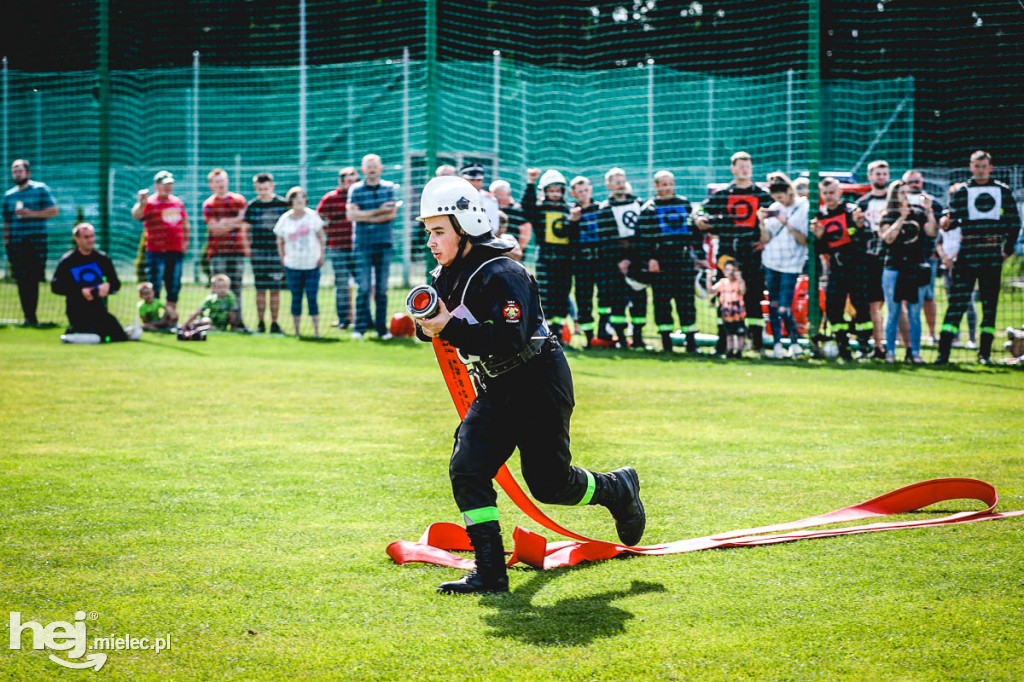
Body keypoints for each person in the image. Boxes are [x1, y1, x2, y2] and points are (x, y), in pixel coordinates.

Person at [414, 175, 646, 594]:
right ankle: (489, 571)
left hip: (538, 383)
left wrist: (448, 326)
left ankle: (618, 487)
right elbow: (442, 327)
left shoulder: (504, 273)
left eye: (438, 232)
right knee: (467, 468)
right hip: (497, 388)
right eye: (428, 232)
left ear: (465, 228)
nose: (430, 241)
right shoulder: (447, 272)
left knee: (550, 485)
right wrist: (430, 324)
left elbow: (510, 337)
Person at [936, 151, 1021, 365]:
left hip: (992, 253)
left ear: (990, 168)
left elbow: (1014, 222)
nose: (980, 169)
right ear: (970, 167)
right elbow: (953, 218)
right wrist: (946, 222)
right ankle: (943, 354)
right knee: (957, 302)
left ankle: (984, 354)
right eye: (976, 166)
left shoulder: (1002, 191)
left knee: (989, 305)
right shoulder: (963, 191)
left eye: (983, 166)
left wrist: (1006, 250)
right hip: (968, 251)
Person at [696, 151, 772, 354]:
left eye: (748, 166)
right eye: (740, 166)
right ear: (733, 169)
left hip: (752, 252)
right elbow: (702, 211)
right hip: (727, 252)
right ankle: (723, 344)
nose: (744, 170)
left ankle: (757, 344)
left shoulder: (761, 194)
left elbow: (775, 221)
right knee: (726, 297)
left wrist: (766, 241)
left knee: (753, 296)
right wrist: (699, 220)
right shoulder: (723, 194)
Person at [638, 170, 700, 353]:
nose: (667, 187)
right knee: (662, 302)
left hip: (683, 261)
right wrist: (649, 259)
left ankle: (691, 342)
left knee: (686, 302)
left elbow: (695, 234)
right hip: (660, 262)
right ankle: (666, 342)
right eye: (663, 184)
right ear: (656, 186)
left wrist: (700, 256)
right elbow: (642, 239)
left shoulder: (685, 204)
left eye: (670, 183)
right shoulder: (649, 208)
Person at [810, 177, 871, 361]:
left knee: (861, 307)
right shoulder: (820, 218)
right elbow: (820, 250)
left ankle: (864, 345)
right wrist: (818, 237)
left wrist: (859, 226)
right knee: (833, 309)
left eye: (832, 193)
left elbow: (866, 237)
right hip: (836, 269)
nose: (829, 197)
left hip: (857, 266)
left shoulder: (850, 211)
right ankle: (843, 347)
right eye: (825, 193)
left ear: (839, 193)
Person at [878, 180, 938, 363]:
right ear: (894, 195)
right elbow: (887, 238)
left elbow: (932, 232)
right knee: (893, 311)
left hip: (915, 268)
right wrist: (901, 218)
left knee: (914, 313)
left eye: (908, 192)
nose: (905, 196)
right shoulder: (887, 215)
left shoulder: (919, 214)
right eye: (901, 192)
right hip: (893, 268)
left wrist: (929, 210)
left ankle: (915, 353)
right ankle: (890, 352)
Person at [347, 153, 398, 340]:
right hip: (362, 245)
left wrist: (366, 215)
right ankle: (359, 328)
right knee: (364, 288)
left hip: (384, 243)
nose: (372, 169)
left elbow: (391, 214)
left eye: (375, 165)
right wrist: (378, 212)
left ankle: (381, 329)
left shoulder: (389, 188)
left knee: (382, 289)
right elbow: (352, 215)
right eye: (368, 166)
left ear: (381, 168)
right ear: (363, 170)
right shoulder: (355, 189)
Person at [758, 172, 809, 358]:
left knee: (784, 307)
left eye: (781, 197)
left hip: (792, 264)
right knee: (773, 304)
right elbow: (766, 238)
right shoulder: (775, 207)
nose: (779, 202)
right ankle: (777, 344)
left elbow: (804, 240)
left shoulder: (804, 207)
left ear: (789, 191)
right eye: (775, 198)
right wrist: (762, 222)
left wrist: (785, 222)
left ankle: (794, 343)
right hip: (772, 261)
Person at [520, 167, 573, 344]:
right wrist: (531, 183)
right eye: (551, 190)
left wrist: (574, 221)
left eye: (558, 190)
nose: (555, 194)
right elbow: (526, 207)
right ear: (544, 191)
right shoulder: (540, 209)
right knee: (546, 297)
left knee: (562, 297)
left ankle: (559, 330)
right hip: (545, 259)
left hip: (565, 261)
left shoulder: (570, 210)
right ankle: (547, 332)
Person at [50, 222, 127, 342]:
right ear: (77, 239)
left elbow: (116, 284)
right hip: (77, 309)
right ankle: (72, 332)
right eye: (86, 237)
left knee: (119, 336)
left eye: (92, 236)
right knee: (93, 336)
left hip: (98, 309)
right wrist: (80, 291)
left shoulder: (102, 258)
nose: (91, 240)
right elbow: (56, 286)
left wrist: (107, 287)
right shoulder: (68, 261)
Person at [3, 159, 59, 325]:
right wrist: (7, 242)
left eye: (20, 170)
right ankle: (28, 316)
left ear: (28, 172)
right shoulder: (9, 195)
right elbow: (6, 221)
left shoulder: (40, 189)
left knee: (33, 278)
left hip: (35, 240)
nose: (17, 173)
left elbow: (54, 211)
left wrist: (30, 213)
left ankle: (32, 316)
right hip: (16, 242)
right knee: (21, 279)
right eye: (14, 171)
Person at [131, 170, 190, 317]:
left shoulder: (177, 202)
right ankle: (153, 316)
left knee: (174, 285)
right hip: (156, 251)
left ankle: (170, 316)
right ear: (157, 186)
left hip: (175, 251)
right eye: (165, 185)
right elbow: (136, 215)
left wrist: (186, 242)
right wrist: (141, 203)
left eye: (170, 184)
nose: (168, 187)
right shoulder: (149, 202)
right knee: (155, 285)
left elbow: (185, 224)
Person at [274, 186, 326, 338]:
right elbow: (280, 240)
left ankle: (316, 330)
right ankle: (297, 331)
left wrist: (322, 255)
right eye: (296, 198)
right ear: (291, 201)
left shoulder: (312, 216)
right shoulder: (284, 219)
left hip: (311, 264)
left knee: (312, 296)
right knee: (296, 297)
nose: (299, 201)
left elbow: (321, 236)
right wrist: (283, 257)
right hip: (293, 264)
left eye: (302, 197)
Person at [242, 172, 289, 334]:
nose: (263, 191)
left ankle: (275, 323)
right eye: (259, 189)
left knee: (275, 289)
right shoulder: (252, 206)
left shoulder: (283, 204)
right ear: (255, 188)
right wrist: (248, 249)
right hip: (258, 252)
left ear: (272, 187)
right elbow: (245, 229)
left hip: (276, 253)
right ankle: (261, 323)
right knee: (260, 289)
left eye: (266, 188)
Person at [855, 160, 892, 358]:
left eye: (884, 173)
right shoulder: (863, 203)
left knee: (898, 304)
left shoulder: (894, 200)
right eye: (877, 174)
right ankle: (879, 345)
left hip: (894, 258)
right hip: (871, 261)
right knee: (874, 305)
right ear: (870, 176)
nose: (881, 177)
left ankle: (901, 346)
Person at [202, 168, 248, 327]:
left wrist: (223, 223)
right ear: (211, 185)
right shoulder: (208, 204)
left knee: (237, 288)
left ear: (227, 181)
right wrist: (232, 223)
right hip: (217, 253)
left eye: (222, 181)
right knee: (218, 289)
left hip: (237, 251)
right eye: (217, 182)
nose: (220, 184)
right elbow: (214, 228)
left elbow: (242, 221)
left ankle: (237, 323)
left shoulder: (239, 200)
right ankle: (215, 322)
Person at [902, 169, 943, 344]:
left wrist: (928, 211)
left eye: (917, 181)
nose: (914, 184)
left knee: (928, 296)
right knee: (902, 297)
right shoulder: (899, 202)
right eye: (910, 182)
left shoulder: (933, 203)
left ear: (922, 182)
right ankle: (904, 335)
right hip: (902, 257)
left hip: (926, 257)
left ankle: (932, 333)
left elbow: (937, 231)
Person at [317, 166, 360, 330]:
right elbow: (318, 217)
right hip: (338, 247)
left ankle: (361, 318)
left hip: (359, 246)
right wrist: (329, 230)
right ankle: (344, 319)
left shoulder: (360, 195)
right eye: (348, 181)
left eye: (354, 180)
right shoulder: (331, 198)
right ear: (340, 182)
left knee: (363, 284)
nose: (351, 184)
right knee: (341, 284)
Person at [935, 187, 978, 350]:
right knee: (952, 303)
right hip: (947, 267)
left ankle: (972, 339)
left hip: (964, 265)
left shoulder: (968, 218)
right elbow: (939, 242)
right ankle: (955, 338)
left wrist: (954, 259)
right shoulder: (945, 218)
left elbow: (966, 241)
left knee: (968, 303)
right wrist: (945, 258)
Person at [566, 175, 604, 346]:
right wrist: (573, 222)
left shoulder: (601, 209)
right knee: (584, 299)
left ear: (591, 190)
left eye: (585, 190)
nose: (583, 193)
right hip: (581, 263)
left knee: (605, 298)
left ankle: (603, 334)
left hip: (601, 260)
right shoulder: (571, 212)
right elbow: (569, 240)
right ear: (573, 194)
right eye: (579, 191)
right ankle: (589, 337)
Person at [711, 258, 746, 358]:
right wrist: (709, 278)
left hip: (738, 313)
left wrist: (739, 279)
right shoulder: (722, 282)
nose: (730, 273)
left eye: (733, 270)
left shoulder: (739, 282)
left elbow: (743, 291)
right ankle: (730, 351)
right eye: (728, 270)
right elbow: (711, 290)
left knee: (740, 333)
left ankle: (739, 352)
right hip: (727, 313)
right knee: (729, 333)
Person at [490, 179, 532, 257]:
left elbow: (526, 231)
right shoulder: (493, 209)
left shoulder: (518, 210)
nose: (496, 199)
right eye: (494, 196)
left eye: (498, 196)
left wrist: (517, 252)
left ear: (508, 194)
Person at [460, 163, 500, 235]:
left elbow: (494, 227)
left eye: (479, 180)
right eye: (472, 180)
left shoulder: (490, 200)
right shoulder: (454, 198)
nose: (476, 183)